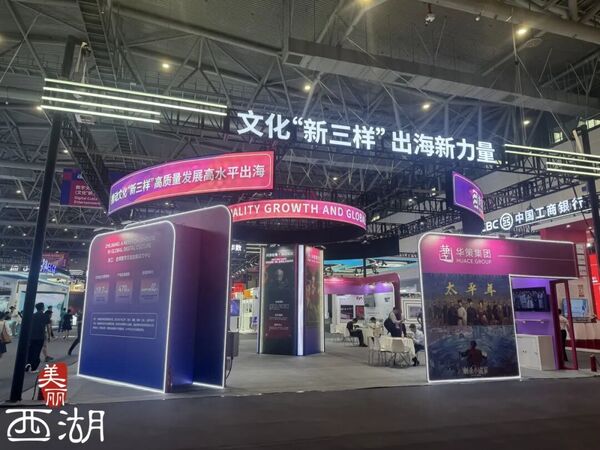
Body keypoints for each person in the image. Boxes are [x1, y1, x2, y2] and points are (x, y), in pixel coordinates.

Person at [26, 302, 50, 372]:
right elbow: (48, 327)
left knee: (30, 351)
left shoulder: (32, 315)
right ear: (43, 308)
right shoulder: (45, 316)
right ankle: (34, 368)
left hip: (31, 336)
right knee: (37, 352)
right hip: (40, 336)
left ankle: (27, 365)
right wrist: (49, 336)